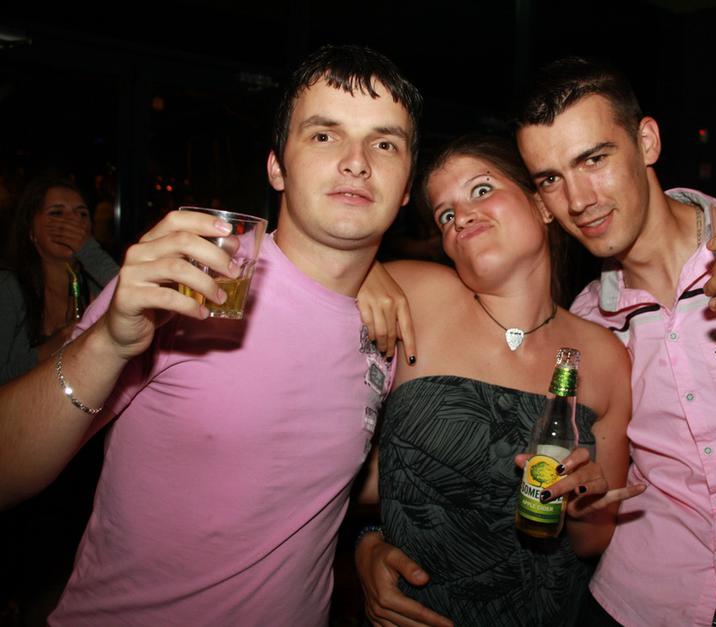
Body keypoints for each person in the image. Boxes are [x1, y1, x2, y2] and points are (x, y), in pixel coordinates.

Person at [362, 57, 716, 626]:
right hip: (641, 604)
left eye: (594, 159)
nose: (579, 199)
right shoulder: (590, 322)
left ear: (647, 142)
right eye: (551, 179)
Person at [0, 44, 421, 625]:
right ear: (277, 167)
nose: (356, 162)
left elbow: (321, 478)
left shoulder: (393, 318)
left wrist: (373, 536)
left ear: (406, 185)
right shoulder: (196, 279)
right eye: (324, 135)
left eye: (385, 143)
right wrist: (108, 343)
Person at [354, 135, 638, 626]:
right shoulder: (412, 295)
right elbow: (319, 464)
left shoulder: (605, 356)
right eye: (445, 214)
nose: (461, 217)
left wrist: (585, 504)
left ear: (542, 205)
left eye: (481, 190)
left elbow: (592, 542)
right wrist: (359, 269)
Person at [1, 176, 119, 384]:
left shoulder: (95, 286)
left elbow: (134, 297)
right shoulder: (8, 288)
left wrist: (88, 250)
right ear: (31, 231)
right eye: (57, 213)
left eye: (82, 214)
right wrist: (58, 342)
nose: (73, 222)